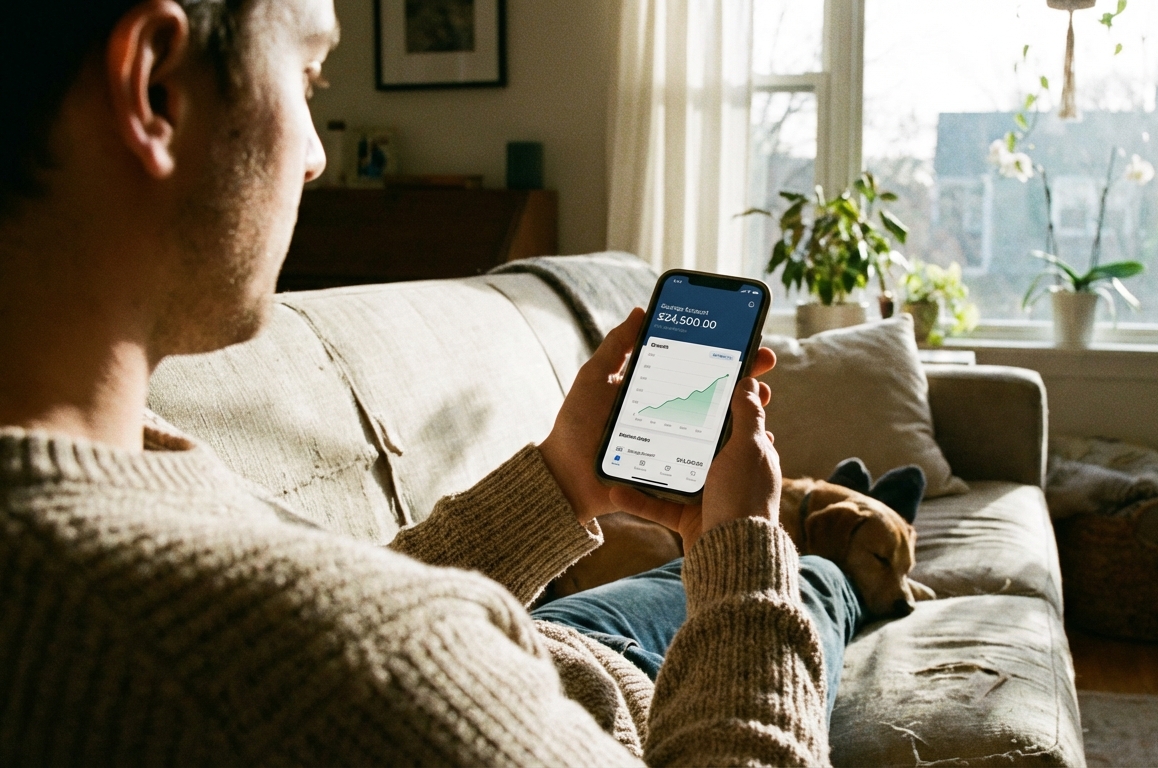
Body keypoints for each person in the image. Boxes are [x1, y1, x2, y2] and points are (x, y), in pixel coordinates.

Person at [0, 0, 862, 765]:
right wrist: (746, 550)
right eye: (308, 78)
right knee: (816, 585)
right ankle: (853, 561)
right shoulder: (341, 665)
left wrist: (562, 483)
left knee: (719, 585)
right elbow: (341, 653)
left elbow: (329, 618)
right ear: (158, 91)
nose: (312, 158)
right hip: (621, 698)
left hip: (552, 647)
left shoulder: (100, 469)